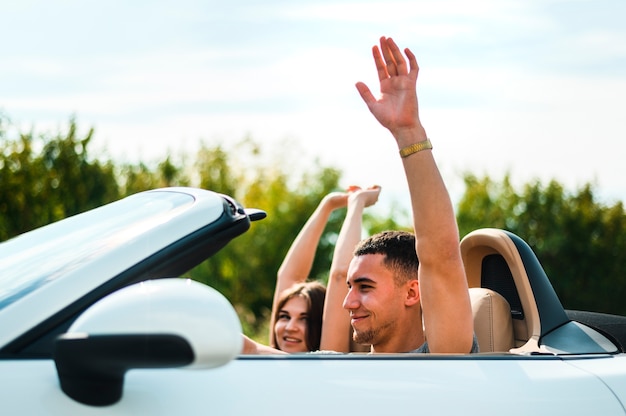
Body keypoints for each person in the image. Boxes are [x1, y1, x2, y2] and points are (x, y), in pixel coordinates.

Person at [242, 35, 476, 354]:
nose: (348, 302)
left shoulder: (443, 357)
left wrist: (408, 132)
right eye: (351, 286)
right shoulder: (334, 365)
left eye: (364, 287)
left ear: (412, 293)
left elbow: (441, 256)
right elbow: (246, 348)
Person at [268, 186, 382, 353]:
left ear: (325, 326)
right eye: (284, 316)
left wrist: (357, 203)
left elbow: (340, 275)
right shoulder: (272, 357)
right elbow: (288, 276)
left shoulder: (327, 360)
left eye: (305, 319)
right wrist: (327, 205)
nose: (290, 327)